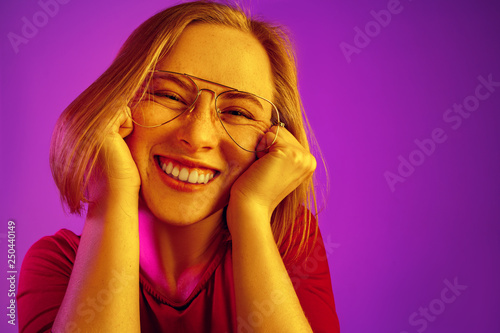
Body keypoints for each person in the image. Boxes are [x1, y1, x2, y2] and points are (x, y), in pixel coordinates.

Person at [17, 1, 340, 332]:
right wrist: (113, 192)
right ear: (117, 106)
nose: (197, 136)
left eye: (239, 113)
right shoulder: (54, 266)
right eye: (169, 95)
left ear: (274, 140)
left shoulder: (290, 243)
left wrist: (252, 211)